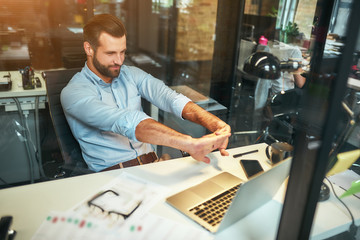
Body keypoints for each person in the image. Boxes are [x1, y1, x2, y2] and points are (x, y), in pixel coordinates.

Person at [61, 14, 231, 172]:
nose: (119, 61)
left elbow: (169, 98)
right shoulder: (74, 93)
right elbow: (126, 122)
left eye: (122, 52)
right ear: (89, 49)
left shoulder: (131, 74)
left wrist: (216, 125)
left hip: (154, 165)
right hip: (114, 177)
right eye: (111, 53)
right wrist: (190, 144)